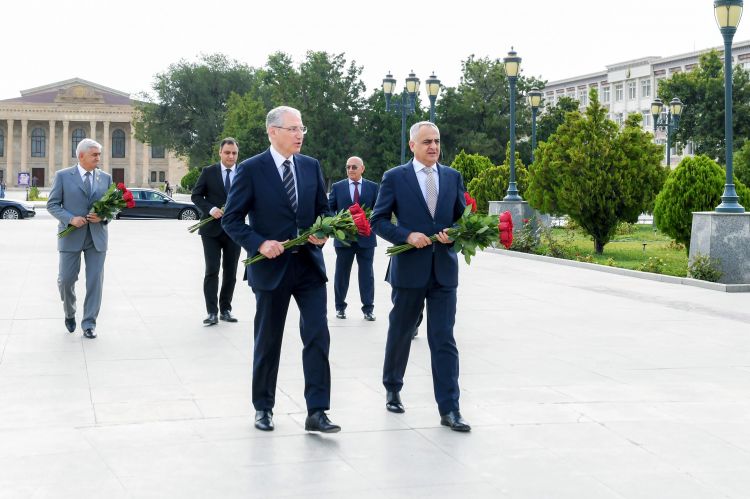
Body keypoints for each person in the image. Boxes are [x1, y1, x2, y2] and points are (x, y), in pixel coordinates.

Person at [222, 106, 340, 434]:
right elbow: (231, 220)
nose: (299, 134)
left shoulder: (310, 166)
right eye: (292, 129)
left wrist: (323, 231)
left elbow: (323, 210)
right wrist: (259, 243)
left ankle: (317, 411)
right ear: (272, 132)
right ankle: (263, 407)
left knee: (317, 335)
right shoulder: (250, 169)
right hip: (271, 269)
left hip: (308, 268)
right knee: (268, 340)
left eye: (302, 129)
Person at [370, 121, 471, 432]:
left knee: (443, 338)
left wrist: (454, 234)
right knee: (401, 332)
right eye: (427, 141)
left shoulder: (452, 177)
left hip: (443, 272)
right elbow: (378, 220)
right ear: (412, 145)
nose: (433, 147)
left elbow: (462, 219)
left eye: (437, 141)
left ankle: (450, 408)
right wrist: (406, 236)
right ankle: (393, 387)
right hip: (409, 271)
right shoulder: (395, 177)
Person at [47, 138, 112, 339]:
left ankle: (89, 324)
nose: (98, 158)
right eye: (94, 154)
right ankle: (69, 312)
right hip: (71, 236)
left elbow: (113, 207)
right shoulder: (63, 176)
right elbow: (52, 204)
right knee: (66, 280)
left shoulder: (106, 178)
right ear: (81, 155)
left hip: (97, 237)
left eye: (99, 154)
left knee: (95, 282)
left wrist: (104, 216)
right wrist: (70, 219)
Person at [191, 138, 243, 326]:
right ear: (220, 153)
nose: (231, 156)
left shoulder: (243, 173)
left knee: (231, 272)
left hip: (235, 231)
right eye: (227, 152)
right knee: (212, 270)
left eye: (234, 153)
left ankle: (226, 309)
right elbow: (196, 196)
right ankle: (212, 312)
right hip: (211, 230)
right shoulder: (208, 172)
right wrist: (211, 209)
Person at [327, 156, 379, 321]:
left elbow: (379, 210)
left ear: (362, 168)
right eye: (348, 167)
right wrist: (337, 223)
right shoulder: (337, 187)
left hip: (366, 238)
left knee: (366, 275)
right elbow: (329, 209)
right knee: (342, 274)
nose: (350, 170)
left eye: (354, 167)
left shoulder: (373, 187)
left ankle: (368, 309)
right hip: (344, 239)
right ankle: (340, 307)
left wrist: (371, 222)